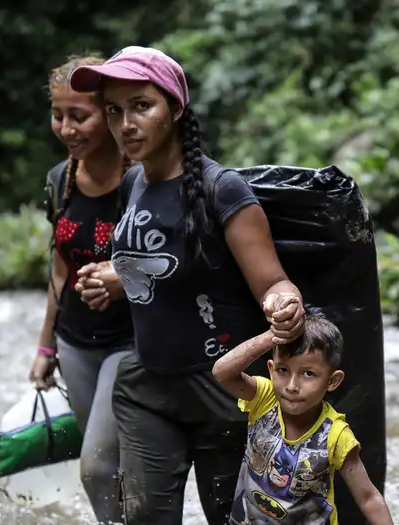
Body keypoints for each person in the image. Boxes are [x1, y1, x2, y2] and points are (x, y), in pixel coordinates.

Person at [69, 46, 306, 524]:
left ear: (175, 108)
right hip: (146, 386)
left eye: (141, 106)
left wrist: (285, 305)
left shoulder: (224, 190)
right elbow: (158, 265)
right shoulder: (131, 182)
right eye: (113, 111)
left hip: (222, 391)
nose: (125, 124)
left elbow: (274, 281)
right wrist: (117, 281)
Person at [28, 54, 133, 524]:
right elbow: (59, 268)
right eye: (58, 115)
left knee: (95, 467)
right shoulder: (59, 180)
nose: (66, 128)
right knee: (107, 469)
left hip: (132, 343)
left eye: (79, 115)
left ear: (110, 112)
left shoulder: (142, 180)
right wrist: (45, 345)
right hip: (75, 343)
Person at [212, 306, 395, 525]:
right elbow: (222, 372)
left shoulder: (335, 434)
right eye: (283, 370)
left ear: (332, 381)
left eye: (308, 374)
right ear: (271, 369)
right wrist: (273, 336)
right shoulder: (264, 399)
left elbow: (369, 499)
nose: (291, 386)